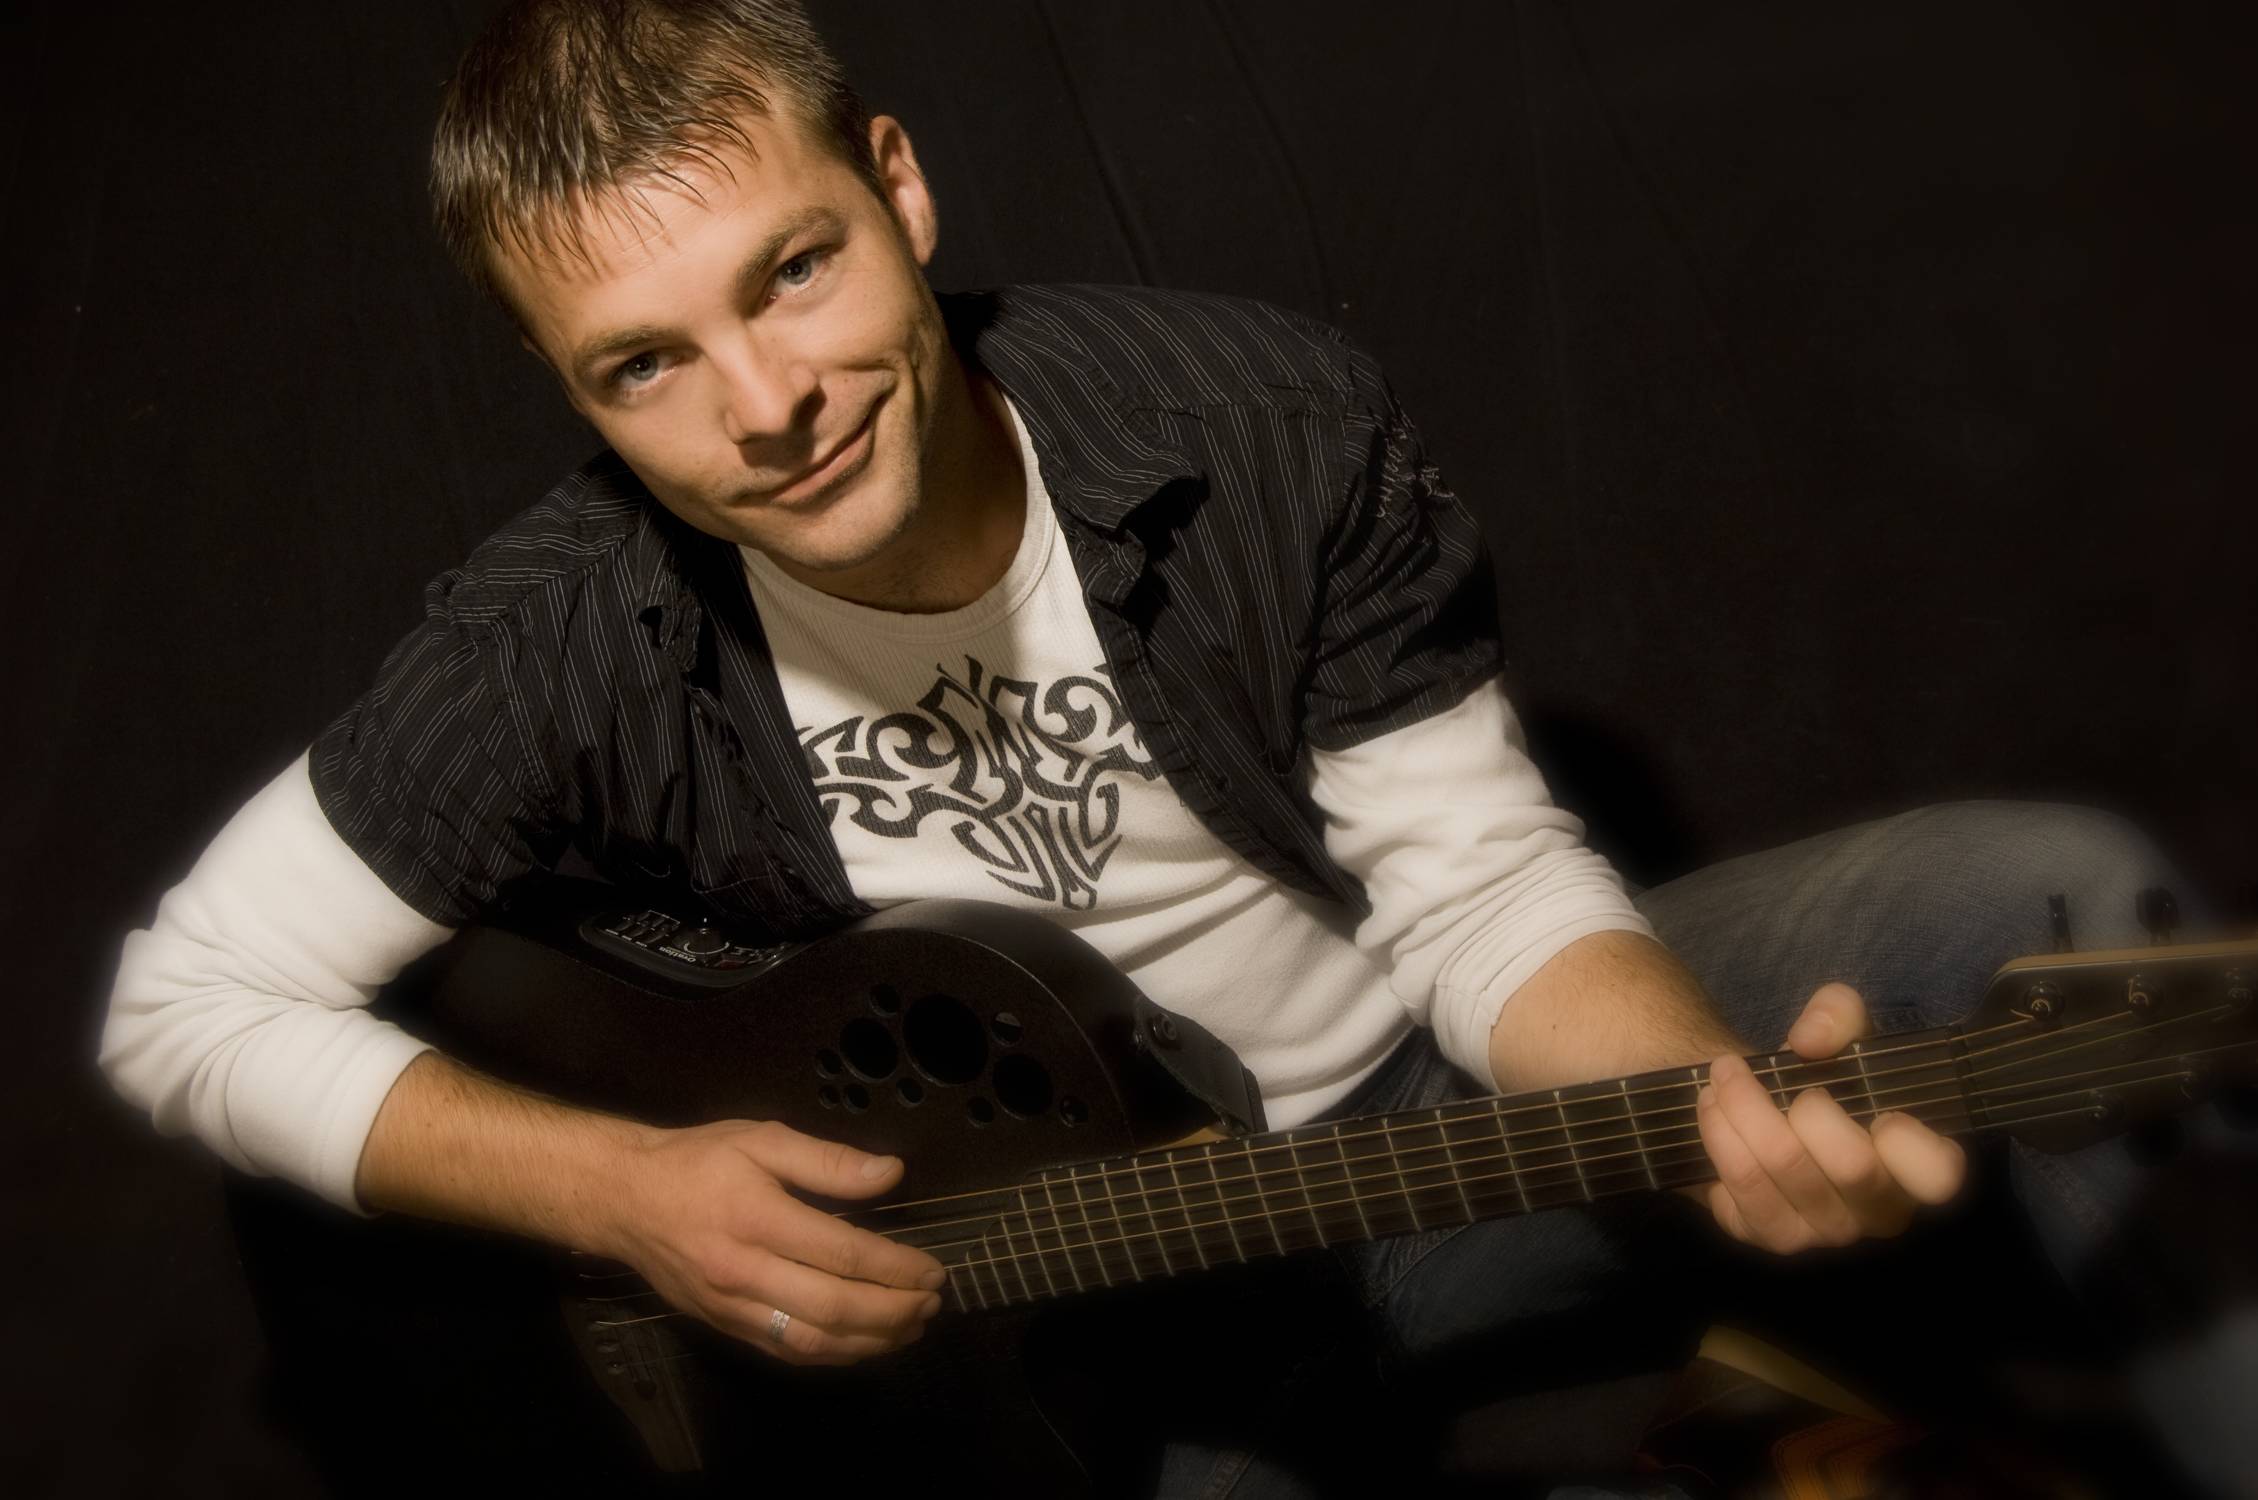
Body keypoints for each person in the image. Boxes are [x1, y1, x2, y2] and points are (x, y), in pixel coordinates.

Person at [98, 2, 2246, 1495]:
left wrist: (1704, 1116)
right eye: (643, 363)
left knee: (2032, 891)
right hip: (1103, 1336)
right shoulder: (556, 643)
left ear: (898, 184)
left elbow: (1481, 892)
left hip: (1425, 1130)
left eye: (795, 271)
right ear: (568, 390)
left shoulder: (1256, 425)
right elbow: (181, 1002)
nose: (764, 406)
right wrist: (623, 1190)